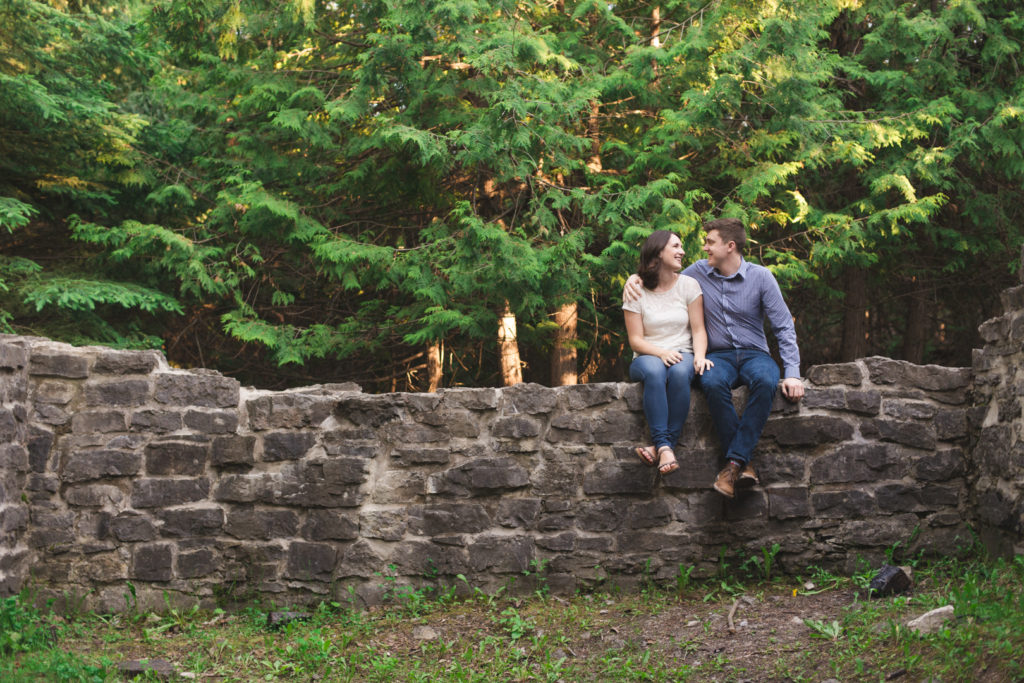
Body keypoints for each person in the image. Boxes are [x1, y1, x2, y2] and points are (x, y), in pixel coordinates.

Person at [624, 218, 805, 498]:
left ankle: (734, 463)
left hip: (755, 353)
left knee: (767, 381)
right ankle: (742, 464)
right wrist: (634, 279)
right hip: (718, 356)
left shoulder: (761, 277)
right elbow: (659, 275)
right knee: (711, 383)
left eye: (710, 242)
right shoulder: (697, 273)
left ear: (730, 246)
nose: (704, 247)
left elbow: (783, 326)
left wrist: (792, 372)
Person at [623, 230, 713, 476]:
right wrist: (661, 353)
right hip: (646, 355)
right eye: (675, 246)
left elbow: (699, 330)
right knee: (654, 370)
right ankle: (665, 445)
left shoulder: (689, 285)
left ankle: (662, 447)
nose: (682, 251)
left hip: (683, 353)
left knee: (680, 372)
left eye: (681, 246)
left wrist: (700, 356)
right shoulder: (635, 289)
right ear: (658, 253)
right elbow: (635, 340)